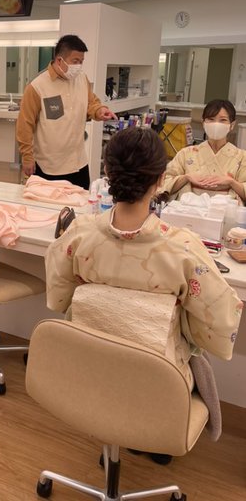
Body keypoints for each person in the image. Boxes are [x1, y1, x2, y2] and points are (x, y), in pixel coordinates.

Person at [45, 127, 242, 463]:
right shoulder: (182, 248)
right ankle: (148, 432)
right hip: (157, 378)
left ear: (107, 173)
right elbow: (219, 324)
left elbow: (58, 298)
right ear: (161, 179)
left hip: (90, 364)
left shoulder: (78, 234)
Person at [16, 34, 117, 189]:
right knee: (48, 203)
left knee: (80, 203)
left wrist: (99, 110)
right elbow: (25, 125)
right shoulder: (37, 87)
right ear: (59, 60)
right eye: (75, 61)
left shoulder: (82, 79)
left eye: (81, 61)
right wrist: (27, 157)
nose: (79, 66)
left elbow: (91, 103)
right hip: (49, 166)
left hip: (78, 163)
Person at [160, 99, 246, 203]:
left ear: (232, 125)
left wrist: (231, 182)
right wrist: (186, 178)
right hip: (188, 209)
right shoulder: (186, 154)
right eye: (211, 119)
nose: (216, 124)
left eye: (223, 120)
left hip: (226, 211)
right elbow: (163, 184)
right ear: (203, 123)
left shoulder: (242, 157)